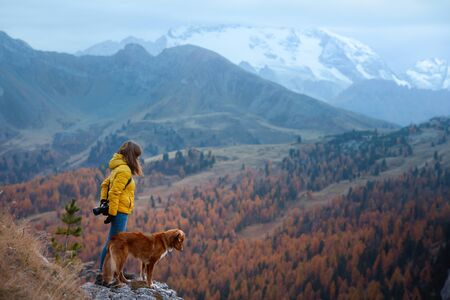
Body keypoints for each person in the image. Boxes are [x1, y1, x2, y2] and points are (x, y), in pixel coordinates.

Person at [95, 141, 143, 285]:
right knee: (114, 244)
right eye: (137, 156)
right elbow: (115, 192)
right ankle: (105, 276)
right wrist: (112, 212)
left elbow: (105, 185)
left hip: (119, 210)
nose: (138, 160)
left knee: (112, 243)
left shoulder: (118, 168)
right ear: (131, 155)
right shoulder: (124, 171)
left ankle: (110, 273)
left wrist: (104, 202)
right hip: (120, 211)